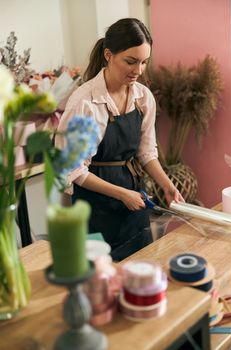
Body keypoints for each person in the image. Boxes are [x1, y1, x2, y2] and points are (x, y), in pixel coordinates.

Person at [56, 18, 184, 261]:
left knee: (140, 270)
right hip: (93, 208)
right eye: (131, 61)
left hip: (133, 201)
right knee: (101, 284)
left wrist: (167, 186)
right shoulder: (85, 103)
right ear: (108, 54)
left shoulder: (143, 97)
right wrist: (122, 194)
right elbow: (72, 170)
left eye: (144, 62)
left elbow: (146, 153)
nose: (138, 70)